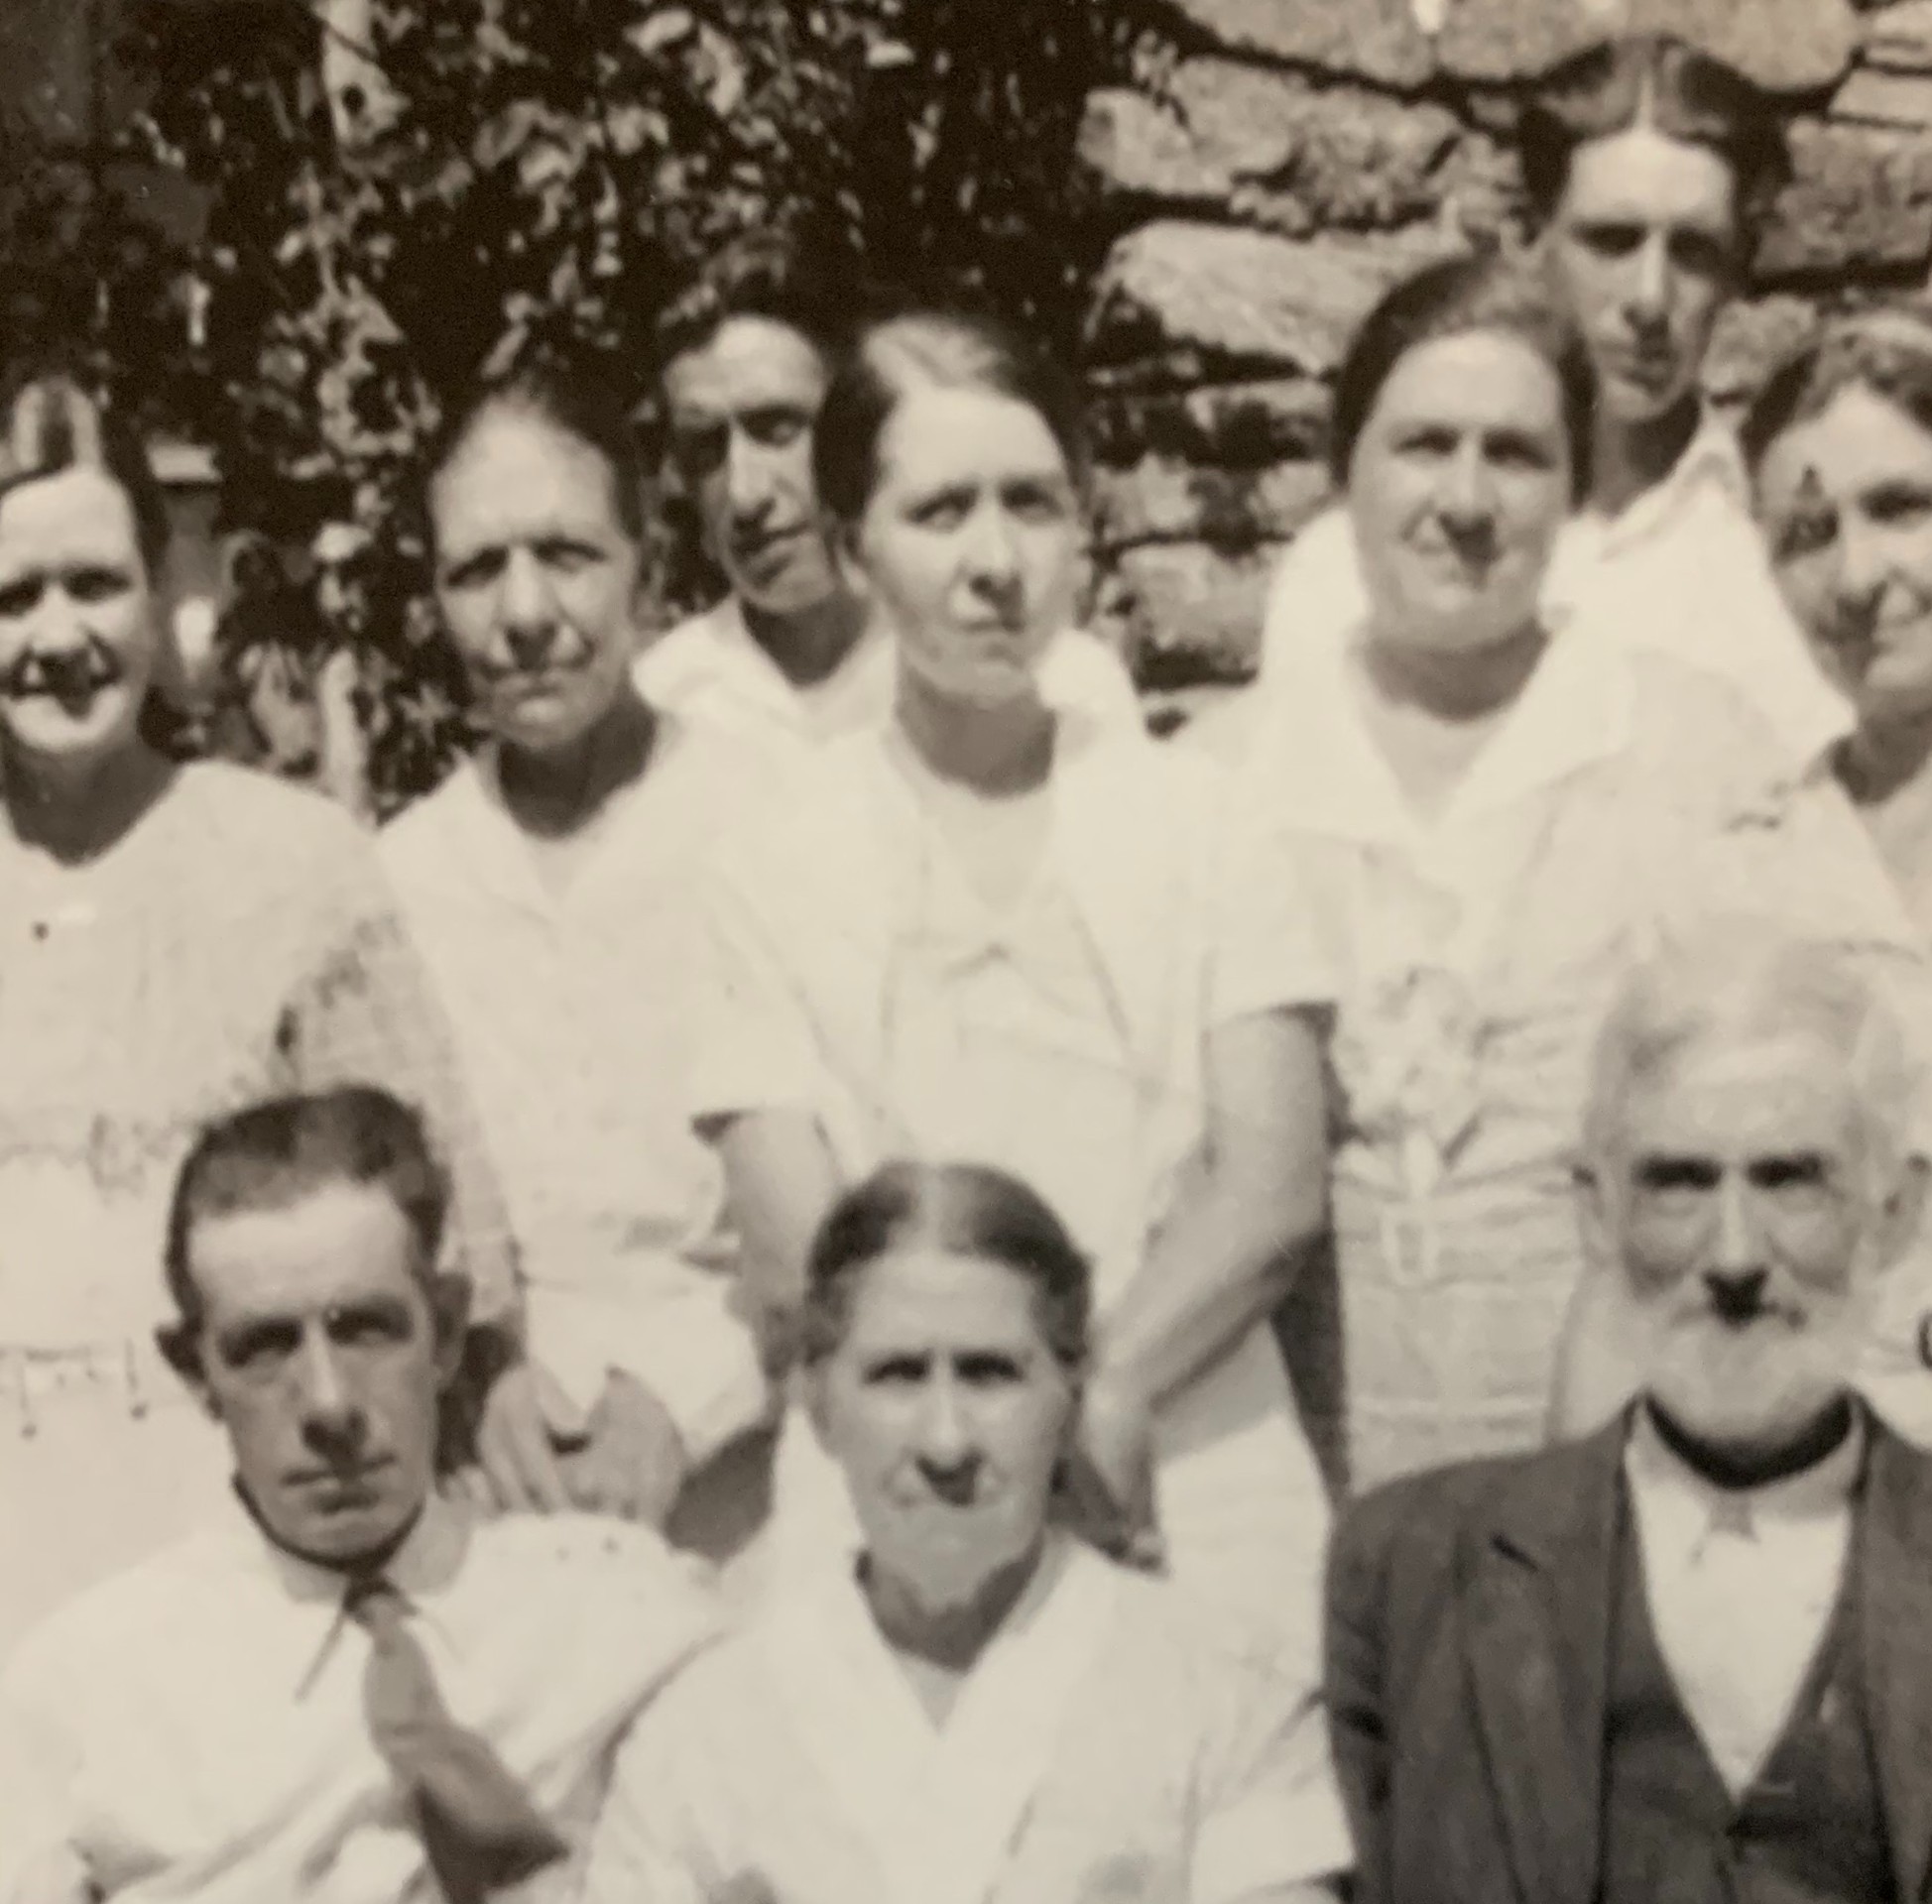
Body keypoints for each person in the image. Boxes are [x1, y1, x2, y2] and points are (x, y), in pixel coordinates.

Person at [1328, 926, 1932, 1903]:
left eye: (1790, 1181)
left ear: (1893, 1215)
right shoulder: (1410, 1573)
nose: (1733, 1257)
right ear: (1594, 1214)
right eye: (1679, 1182)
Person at [692, 305, 1332, 1659]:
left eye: (1032, 504)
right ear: (855, 543)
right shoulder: (761, 855)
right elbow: (805, 1240)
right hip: (891, 1471)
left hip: (1179, 1450)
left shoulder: (1206, 820)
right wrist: (989, 1413)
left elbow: (1272, 1187)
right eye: (939, 513)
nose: (996, 563)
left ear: (1084, 526)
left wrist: (1104, 1392)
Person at [1205, 251, 1818, 1493]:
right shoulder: (1224, 775)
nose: (1468, 498)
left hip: (1618, 1441)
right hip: (1292, 1452)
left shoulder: (1693, 748)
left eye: (1519, 455)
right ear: (1349, 473)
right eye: (1424, 444)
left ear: (1578, 489)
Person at [1560, 309, 1932, 1514]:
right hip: (1797, 1480)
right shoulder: (1743, 869)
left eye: (1904, 509)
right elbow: (1628, 1272)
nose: (1858, 578)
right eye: (1807, 534)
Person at [0, 368, 518, 1652]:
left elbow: (448, 1259)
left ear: (170, 593)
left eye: (96, 585)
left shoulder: (292, 868)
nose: (58, 637)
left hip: (245, 1582)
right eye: (13, 596)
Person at [0, 1087, 714, 1901]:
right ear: (195, 1371)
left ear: (445, 1332)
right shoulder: (85, 1695)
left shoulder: (630, 1613)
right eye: (263, 1348)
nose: (329, 1403)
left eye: (366, 1328)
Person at [584, 1161, 1353, 1903]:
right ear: (819, 1407)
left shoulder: (1225, 1701)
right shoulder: (702, 1735)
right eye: (897, 1375)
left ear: (1070, 1397)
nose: (946, 1442)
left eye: (990, 1374)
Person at [382, 366, 769, 1551]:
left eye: (569, 553)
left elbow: (863, 1204)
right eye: (477, 569)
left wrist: (694, 1401)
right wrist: (474, 1377)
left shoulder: (780, 824)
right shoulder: (398, 880)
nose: (526, 612)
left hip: (765, 1469)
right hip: (501, 1491)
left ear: (647, 563)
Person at [1250, 33, 1848, 761]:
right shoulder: (1353, 564)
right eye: (1612, 241)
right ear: (1527, 240)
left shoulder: (1772, 565)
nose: (1651, 299)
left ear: (1737, 272)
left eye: (1692, 251)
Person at [639, 228, 1139, 753]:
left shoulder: (1056, 688)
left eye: (778, 428)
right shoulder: (661, 703)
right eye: (705, 448)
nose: (745, 494)